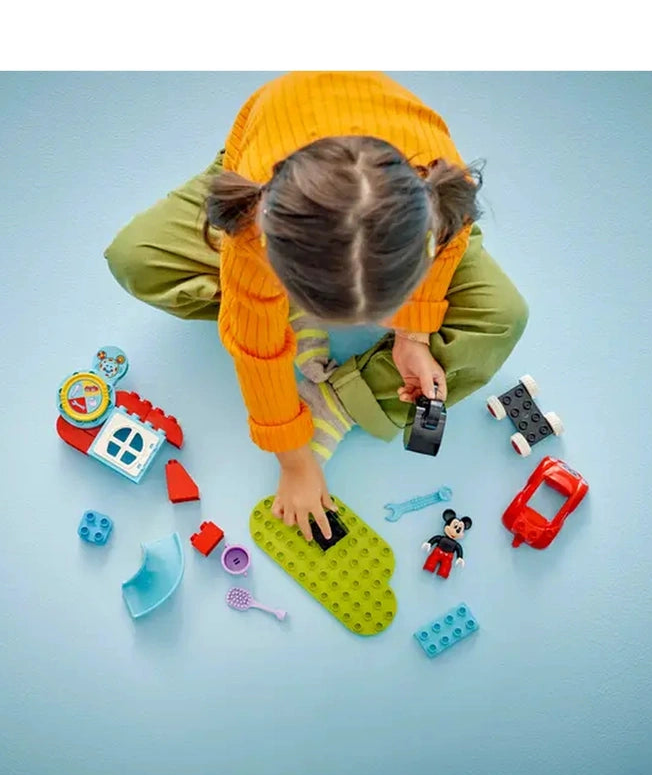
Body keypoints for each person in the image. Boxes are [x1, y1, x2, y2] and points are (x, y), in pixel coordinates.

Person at [104, 72, 528, 543]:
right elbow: (254, 350)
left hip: (386, 206)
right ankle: (291, 311)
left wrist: (413, 334)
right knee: (137, 260)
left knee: (503, 318)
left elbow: (453, 239)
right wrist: (295, 460)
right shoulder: (252, 226)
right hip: (270, 180)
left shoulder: (441, 185)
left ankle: (340, 399)